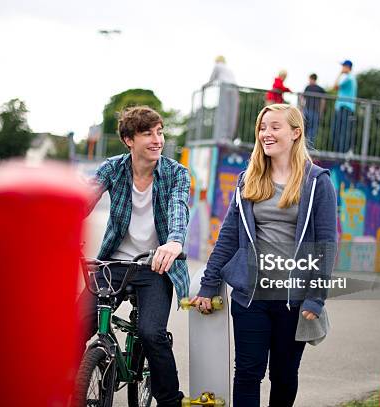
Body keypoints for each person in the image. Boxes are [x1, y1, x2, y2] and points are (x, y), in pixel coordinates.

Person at [191, 104, 337, 406]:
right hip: (251, 297)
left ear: (296, 133)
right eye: (262, 127)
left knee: (284, 375)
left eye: (274, 127)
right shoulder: (249, 179)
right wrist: (208, 282)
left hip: (293, 300)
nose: (265, 134)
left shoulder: (316, 182)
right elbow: (229, 236)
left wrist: (316, 295)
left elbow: (326, 243)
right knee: (247, 373)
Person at [77, 106, 190, 407]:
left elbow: (179, 210)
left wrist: (174, 243)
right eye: (147, 133)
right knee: (74, 326)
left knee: (151, 334)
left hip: (155, 264)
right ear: (129, 140)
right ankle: (66, 388)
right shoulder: (112, 168)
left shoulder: (176, 174)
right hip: (113, 264)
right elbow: (84, 199)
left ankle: (170, 401)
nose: (157, 140)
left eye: (160, 132)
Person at [208, 55, 239, 141]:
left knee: (223, 112)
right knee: (232, 113)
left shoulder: (217, 66)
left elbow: (212, 78)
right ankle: (230, 136)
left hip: (225, 87)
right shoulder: (228, 69)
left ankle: (222, 136)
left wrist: (206, 85)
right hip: (234, 88)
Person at [330, 60, 357, 153]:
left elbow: (335, 86)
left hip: (344, 107)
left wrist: (340, 74)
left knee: (340, 132)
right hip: (345, 108)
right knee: (341, 131)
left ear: (347, 67)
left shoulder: (349, 78)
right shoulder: (351, 78)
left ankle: (339, 154)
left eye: (343, 66)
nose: (342, 68)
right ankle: (340, 153)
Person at [300, 73, 326, 147]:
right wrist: (321, 112)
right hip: (312, 111)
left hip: (310, 111)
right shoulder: (319, 89)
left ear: (311, 79)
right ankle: (307, 148)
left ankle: (305, 148)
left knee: (307, 130)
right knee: (310, 130)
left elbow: (302, 98)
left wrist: (301, 109)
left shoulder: (308, 87)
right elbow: (323, 101)